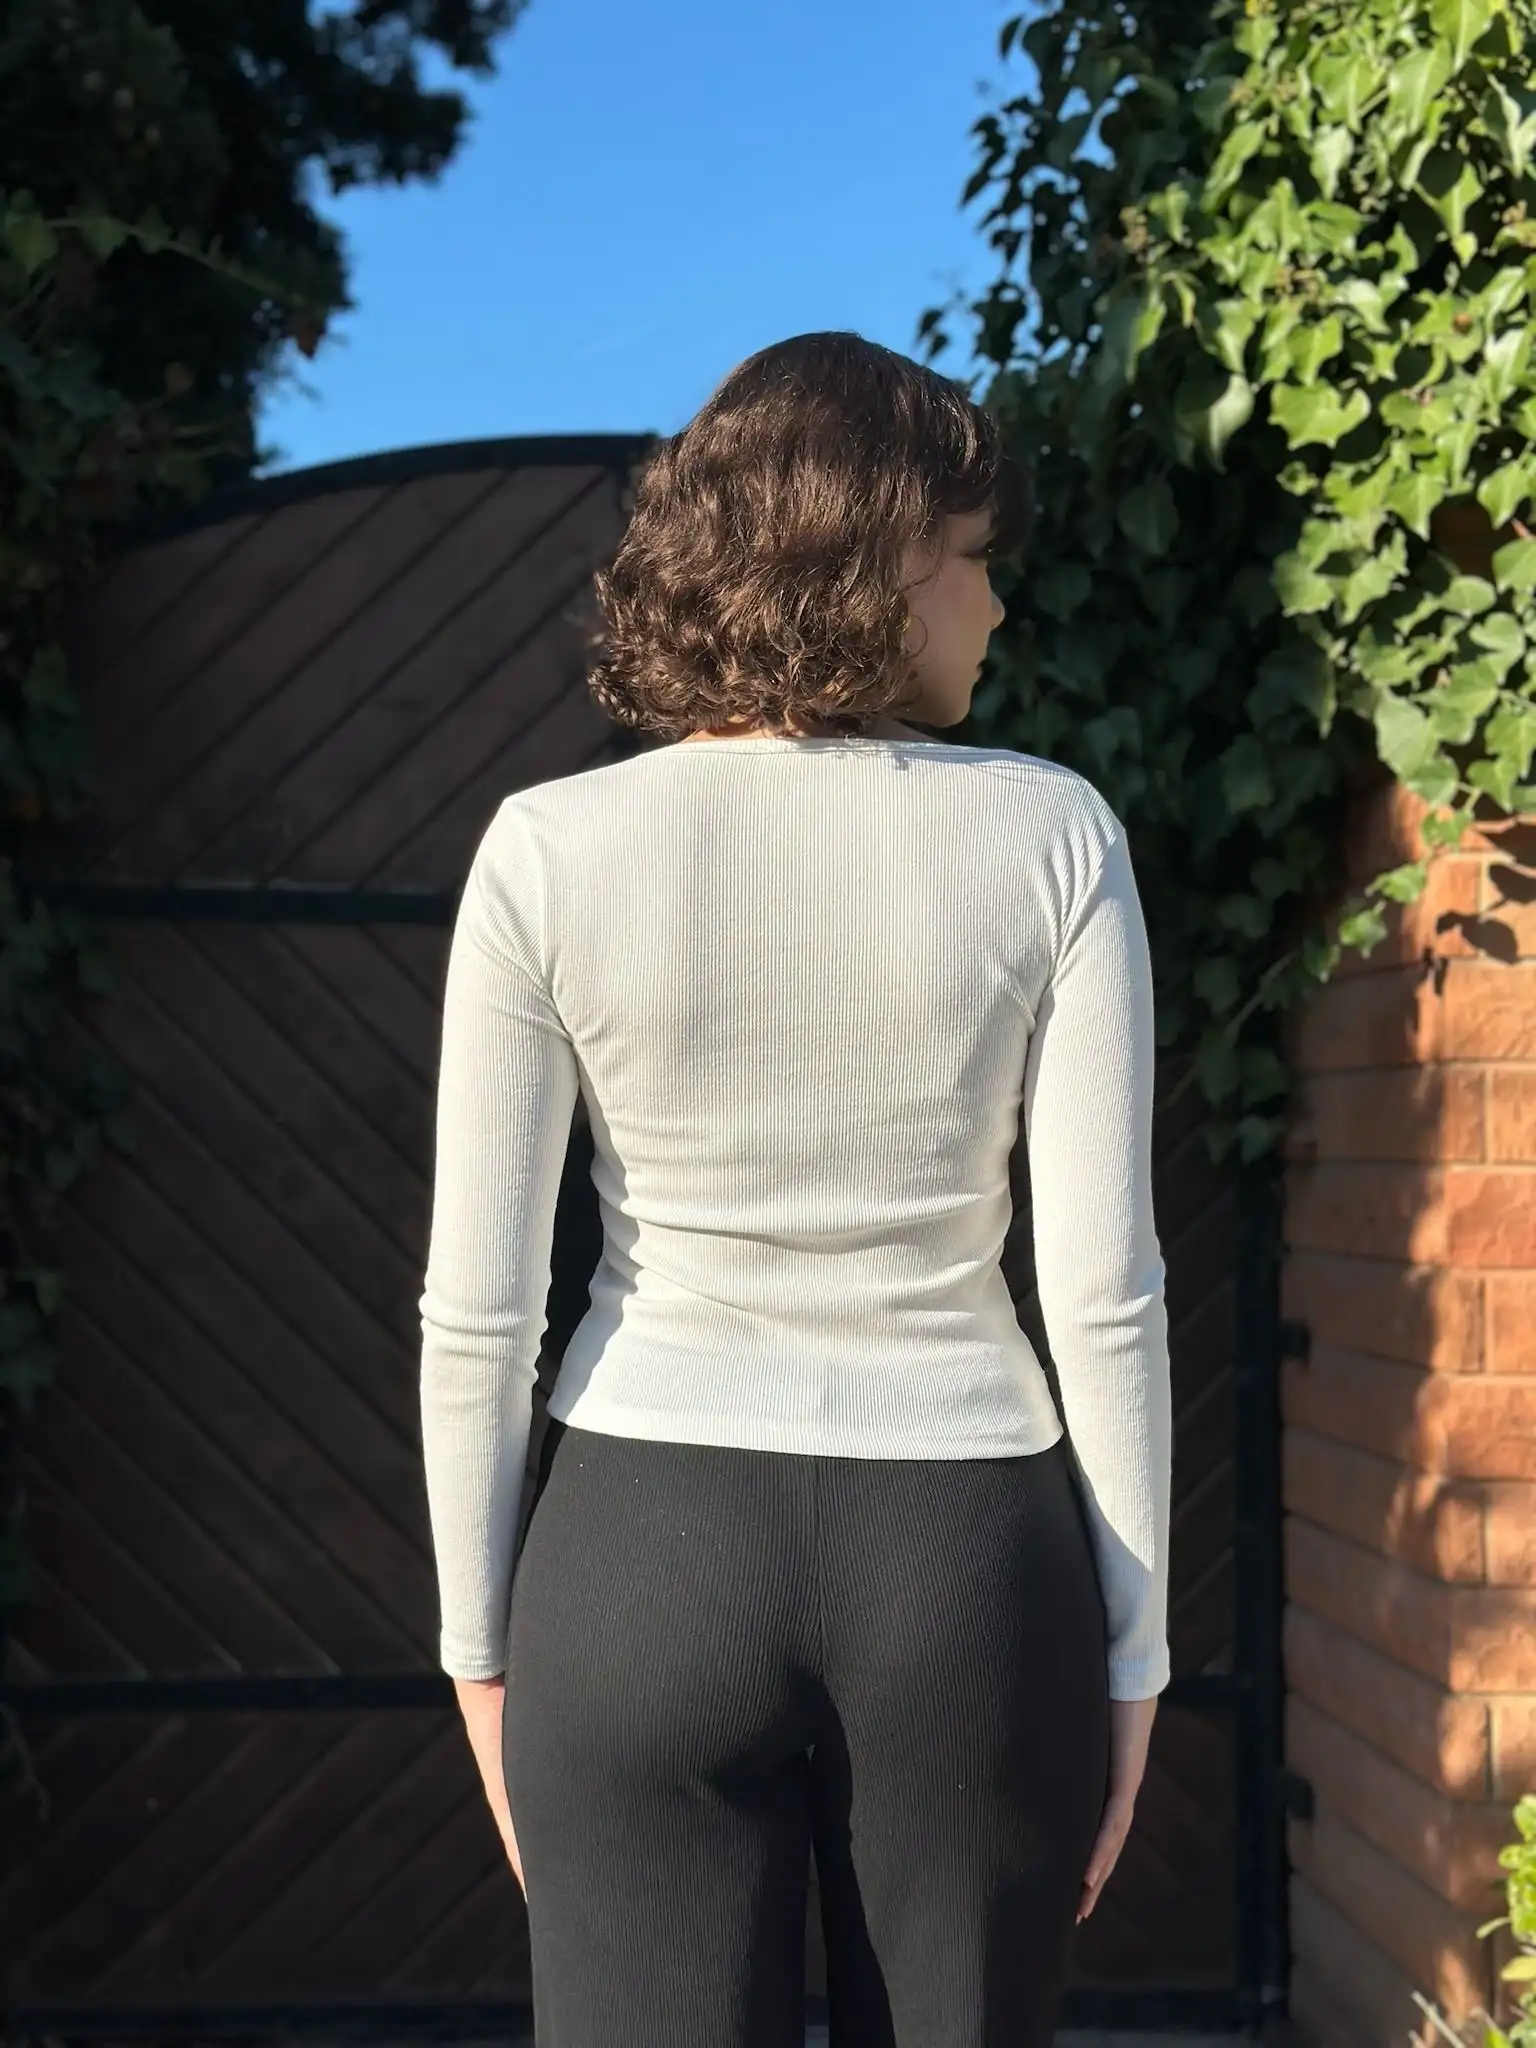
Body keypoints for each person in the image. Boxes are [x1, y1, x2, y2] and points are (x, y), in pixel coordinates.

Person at [417, 329, 1171, 2048]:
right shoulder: (1052, 838)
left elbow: (481, 1318)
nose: (996, 605)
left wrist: (480, 1654)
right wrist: (1135, 1661)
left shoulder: (548, 849)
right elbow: (1105, 1297)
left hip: (636, 1563)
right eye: (974, 559)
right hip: (964, 1568)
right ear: (883, 562)